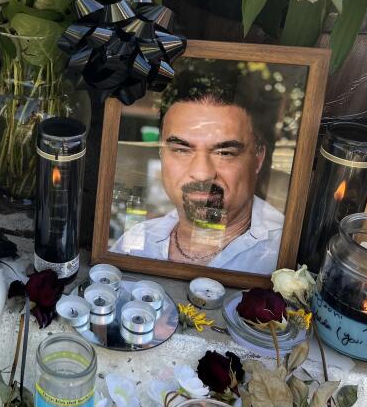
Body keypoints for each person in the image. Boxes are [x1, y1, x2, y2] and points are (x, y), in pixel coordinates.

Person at [112, 85, 284, 275]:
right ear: (161, 153)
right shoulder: (138, 240)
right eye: (181, 150)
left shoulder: (282, 252)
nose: (202, 174)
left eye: (224, 153)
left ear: (257, 159)